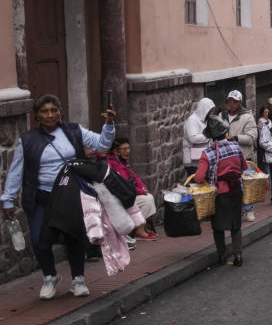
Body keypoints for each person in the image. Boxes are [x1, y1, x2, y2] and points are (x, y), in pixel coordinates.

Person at [2, 94, 115, 299]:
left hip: (70, 195)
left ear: (60, 113)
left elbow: (101, 144)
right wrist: (7, 199)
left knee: (73, 236)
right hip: (42, 197)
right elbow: (16, 171)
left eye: (54, 110)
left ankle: (78, 279)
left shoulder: (74, 131)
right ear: (37, 115)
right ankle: (50, 276)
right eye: (44, 111)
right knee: (38, 240)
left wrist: (108, 124)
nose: (50, 115)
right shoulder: (27, 141)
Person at [194, 116, 248, 266]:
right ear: (224, 132)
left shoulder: (208, 153)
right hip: (236, 189)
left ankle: (222, 256)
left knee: (218, 227)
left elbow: (199, 177)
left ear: (211, 136)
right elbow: (244, 166)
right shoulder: (236, 146)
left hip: (220, 194)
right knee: (235, 225)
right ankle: (238, 255)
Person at [105, 138, 157, 240]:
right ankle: (139, 231)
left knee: (148, 197)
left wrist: (143, 188)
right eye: (124, 149)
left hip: (128, 194)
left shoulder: (123, 162)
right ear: (116, 151)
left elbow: (135, 177)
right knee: (146, 200)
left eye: (128, 148)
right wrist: (140, 191)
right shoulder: (114, 164)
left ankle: (141, 228)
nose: (127, 151)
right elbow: (124, 183)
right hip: (119, 197)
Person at [223, 90, 258, 223]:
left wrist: (235, 138)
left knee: (247, 186)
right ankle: (236, 210)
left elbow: (252, 138)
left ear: (240, 103)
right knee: (231, 186)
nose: (231, 104)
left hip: (244, 157)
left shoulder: (248, 117)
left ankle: (249, 209)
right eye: (229, 101)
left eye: (234, 101)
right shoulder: (222, 116)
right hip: (227, 158)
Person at [182, 97, 215, 177]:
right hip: (193, 161)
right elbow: (193, 138)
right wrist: (209, 135)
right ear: (204, 110)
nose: (211, 113)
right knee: (195, 184)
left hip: (201, 158)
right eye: (210, 111)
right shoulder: (192, 120)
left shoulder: (204, 120)